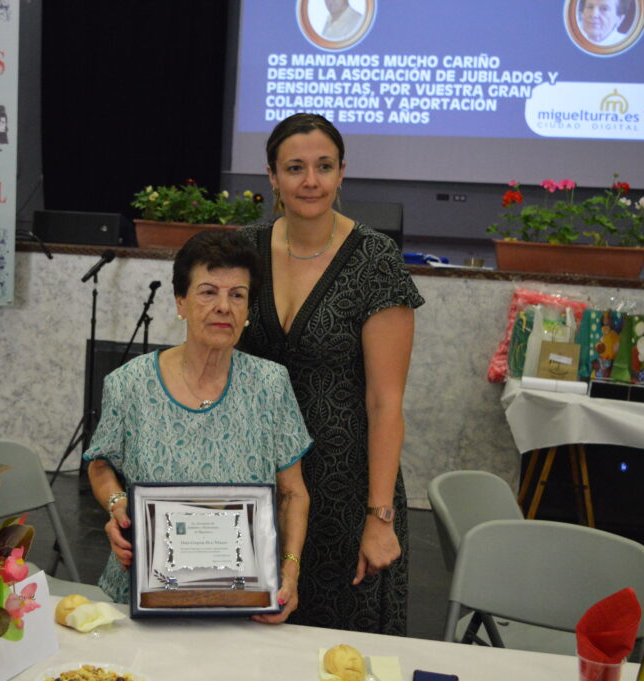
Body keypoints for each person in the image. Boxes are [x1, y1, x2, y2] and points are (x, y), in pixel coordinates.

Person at [238, 113, 423, 634]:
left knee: (340, 646)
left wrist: (379, 517)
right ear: (272, 176)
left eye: (324, 166)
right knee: (248, 638)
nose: (310, 181)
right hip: (259, 479)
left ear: (342, 173)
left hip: (348, 489)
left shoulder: (375, 260)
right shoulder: (243, 250)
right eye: (295, 168)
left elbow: (386, 404)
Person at [85, 230, 312, 625]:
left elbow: (293, 494)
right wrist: (117, 507)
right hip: (141, 596)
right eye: (208, 292)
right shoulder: (129, 383)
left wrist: (289, 572)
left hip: (242, 600)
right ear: (181, 302)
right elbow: (100, 463)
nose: (224, 307)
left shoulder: (271, 386)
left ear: (247, 309)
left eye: (237, 295)